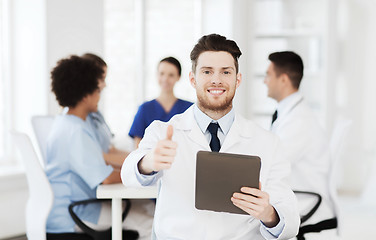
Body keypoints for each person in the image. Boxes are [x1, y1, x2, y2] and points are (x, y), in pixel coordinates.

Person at [121, 34, 300, 239]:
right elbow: (129, 174)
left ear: (237, 79)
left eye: (226, 72)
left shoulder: (268, 143)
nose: (216, 79)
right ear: (192, 78)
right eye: (207, 71)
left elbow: (290, 220)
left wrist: (268, 213)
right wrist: (149, 161)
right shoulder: (164, 131)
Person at [46, 55, 153, 238]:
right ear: (86, 94)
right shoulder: (76, 132)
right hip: (78, 214)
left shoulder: (66, 123)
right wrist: (142, 172)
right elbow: (106, 178)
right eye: (98, 91)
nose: (99, 95)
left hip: (74, 207)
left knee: (150, 208)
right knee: (153, 224)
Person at [264, 51, 337, 239]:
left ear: (283, 80)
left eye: (268, 75)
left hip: (307, 202)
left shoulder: (299, 121)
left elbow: (273, 164)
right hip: (296, 194)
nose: (265, 81)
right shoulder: (289, 114)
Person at [128, 56, 193, 148]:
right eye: (162, 73)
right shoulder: (145, 109)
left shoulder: (189, 108)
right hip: (151, 160)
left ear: (178, 77)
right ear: (156, 75)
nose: (165, 79)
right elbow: (138, 149)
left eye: (171, 75)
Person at [82, 53, 129, 170]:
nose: (105, 85)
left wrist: (141, 159)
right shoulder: (79, 120)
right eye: (102, 79)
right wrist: (138, 166)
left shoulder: (96, 113)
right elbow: (100, 159)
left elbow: (110, 150)